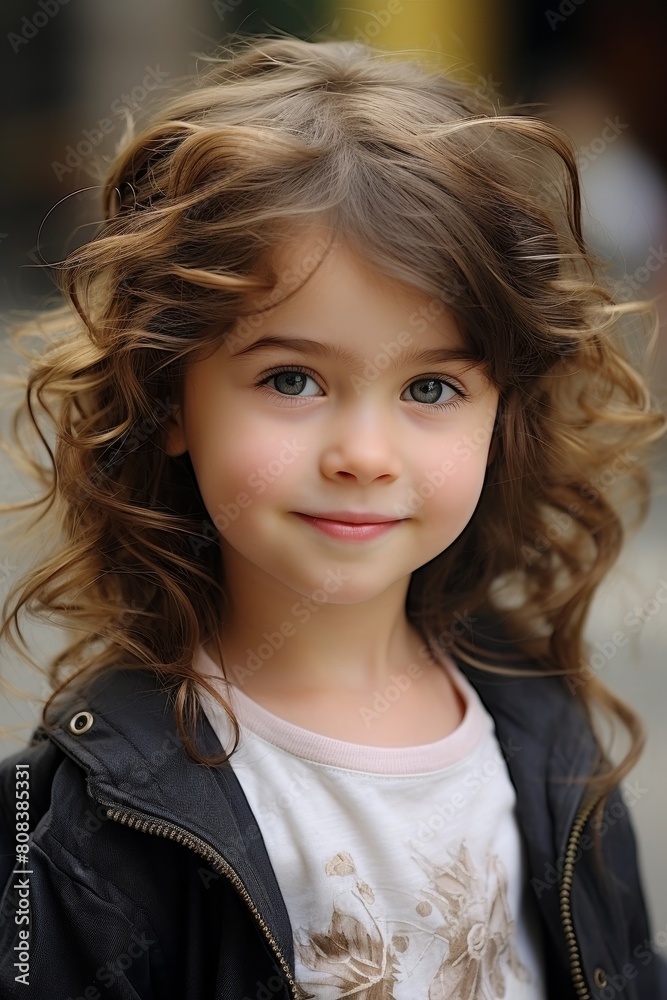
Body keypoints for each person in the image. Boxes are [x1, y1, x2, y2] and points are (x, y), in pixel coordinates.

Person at [0, 33, 664, 1000]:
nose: (364, 452)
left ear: (500, 415)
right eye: (293, 378)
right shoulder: (92, 817)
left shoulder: (543, 723)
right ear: (171, 398)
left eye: (430, 387)